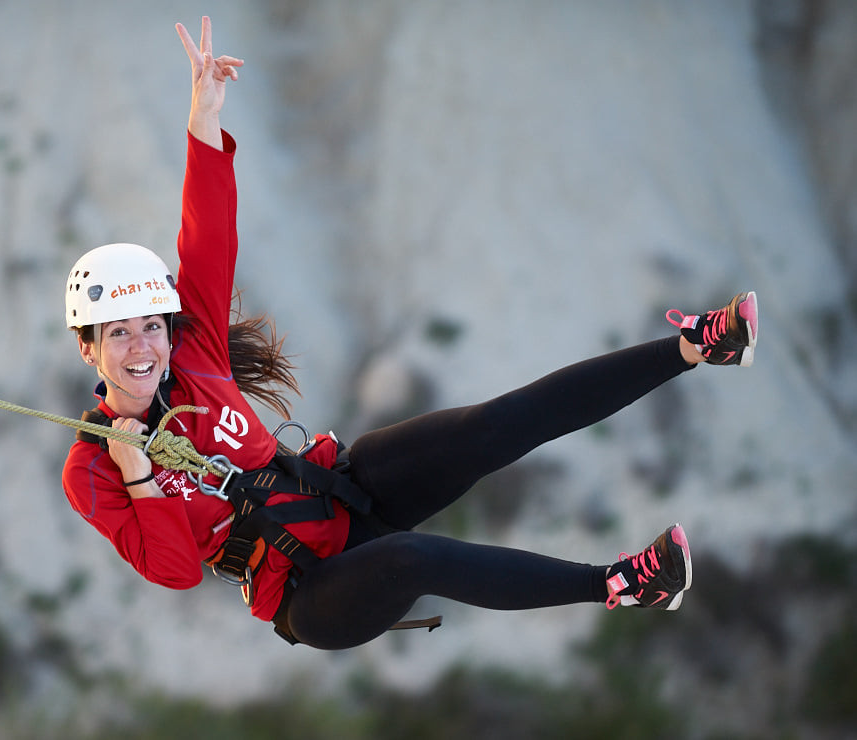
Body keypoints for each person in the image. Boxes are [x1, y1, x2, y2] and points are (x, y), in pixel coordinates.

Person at [61, 16, 759, 651]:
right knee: (416, 559)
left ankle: (698, 346)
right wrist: (138, 472)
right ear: (88, 347)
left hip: (344, 490)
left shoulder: (195, 355)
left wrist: (203, 117)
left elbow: (207, 238)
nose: (143, 346)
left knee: (495, 425)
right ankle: (624, 583)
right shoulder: (92, 469)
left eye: (151, 326)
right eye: (118, 334)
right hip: (310, 591)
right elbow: (177, 573)